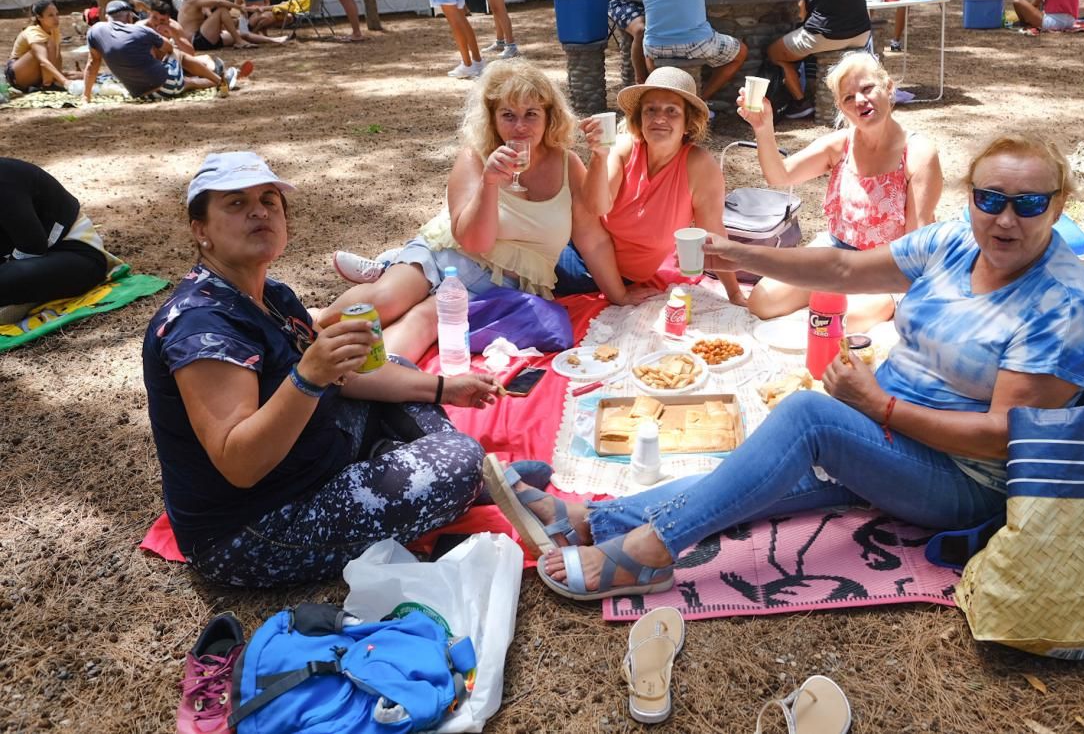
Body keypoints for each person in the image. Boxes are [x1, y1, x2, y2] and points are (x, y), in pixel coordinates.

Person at [490, 133, 1084, 602]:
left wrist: (880, 407)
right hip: (884, 438)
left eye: (1027, 202)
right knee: (759, 475)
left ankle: (651, 552)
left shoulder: (1065, 302)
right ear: (971, 197)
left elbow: (1005, 437)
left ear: (1057, 207)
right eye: (990, 198)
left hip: (961, 478)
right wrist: (731, 250)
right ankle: (590, 520)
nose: (1005, 218)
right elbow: (840, 270)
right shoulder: (953, 242)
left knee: (808, 416)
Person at [143, 151, 498, 590]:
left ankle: (406, 460)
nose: (258, 211)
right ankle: (453, 474)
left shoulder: (271, 295)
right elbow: (241, 465)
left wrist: (447, 387)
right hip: (256, 528)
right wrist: (308, 376)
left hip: (310, 458)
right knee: (462, 461)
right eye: (235, 204)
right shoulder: (202, 327)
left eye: (269, 201)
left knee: (402, 371)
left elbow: (350, 378)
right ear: (202, 232)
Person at [319, 60, 635, 361]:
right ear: (493, 118)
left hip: (501, 287)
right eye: (508, 115)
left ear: (549, 116)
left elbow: (592, 236)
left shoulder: (568, 165)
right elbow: (473, 242)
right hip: (449, 255)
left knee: (424, 319)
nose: (520, 127)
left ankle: (368, 381)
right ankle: (307, 327)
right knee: (385, 301)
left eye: (531, 114)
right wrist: (489, 183)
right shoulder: (476, 157)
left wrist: (619, 296)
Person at [737, 51, 939, 328]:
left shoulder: (918, 153)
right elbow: (779, 175)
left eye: (868, 88)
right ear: (841, 107)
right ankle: (828, 294)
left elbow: (917, 244)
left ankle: (840, 301)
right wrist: (763, 128)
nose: (860, 100)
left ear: (889, 87)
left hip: (885, 268)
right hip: (835, 252)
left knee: (836, 319)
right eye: (848, 97)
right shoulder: (839, 145)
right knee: (761, 301)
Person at [558, 67, 745, 306]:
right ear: (640, 118)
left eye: (672, 111)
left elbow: (713, 234)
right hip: (580, 258)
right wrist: (598, 156)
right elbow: (595, 207)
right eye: (651, 110)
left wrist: (734, 294)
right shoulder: (625, 148)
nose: (659, 118)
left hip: (612, 275)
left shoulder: (699, 166)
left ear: (688, 123)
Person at [0, 159, 119, 325]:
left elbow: (32, 245)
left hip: (78, 256)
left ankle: (24, 296)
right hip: (27, 262)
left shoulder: (4, 180)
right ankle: (22, 294)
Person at [82, 6, 236, 103]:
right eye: (155, 17)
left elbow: (92, 64)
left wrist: (86, 97)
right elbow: (173, 50)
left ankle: (218, 79)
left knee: (188, 82)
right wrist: (166, 38)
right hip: (165, 83)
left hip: (141, 95)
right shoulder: (142, 29)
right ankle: (220, 81)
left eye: (161, 18)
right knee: (177, 55)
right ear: (130, 17)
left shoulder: (95, 31)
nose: (158, 21)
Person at [176, 0, 289, 49]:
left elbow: (209, 16)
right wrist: (240, 7)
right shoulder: (192, 1)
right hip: (197, 40)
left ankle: (274, 40)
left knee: (242, 33)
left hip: (204, 39)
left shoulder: (193, 3)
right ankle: (239, 42)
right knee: (221, 9)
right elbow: (219, 3)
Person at [6, 0, 71, 93]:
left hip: (31, 72)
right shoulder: (34, 32)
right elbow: (43, 61)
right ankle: (47, 85)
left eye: (57, 14)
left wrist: (58, 77)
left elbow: (58, 55)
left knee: (52, 46)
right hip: (17, 74)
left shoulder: (54, 29)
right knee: (49, 44)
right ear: (39, 17)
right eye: (51, 15)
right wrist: (65, 82)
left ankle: (46, 83)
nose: (56, 18)